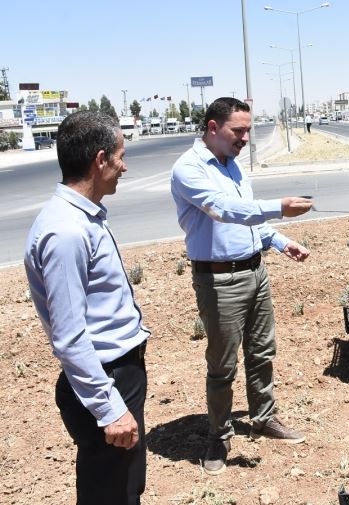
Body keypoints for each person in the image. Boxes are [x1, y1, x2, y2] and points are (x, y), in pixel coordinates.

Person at [170, 97, 315, 475]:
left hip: (254, 272)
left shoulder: (233, 167)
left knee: (262, 351)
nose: (246, 138)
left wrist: (281, 242)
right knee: (222, 364)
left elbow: (249, 220)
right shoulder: (189, 169)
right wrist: (278, 207)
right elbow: (224, 210)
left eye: (248, 130)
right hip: (220, 279)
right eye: (239, 130)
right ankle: (218, 437)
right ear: (213, 128)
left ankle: (264, 417)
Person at [24, 111, 151, 505]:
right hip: (104, 379)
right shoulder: (67, 231)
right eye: (120, 156)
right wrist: (108, 407)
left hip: (116, 373)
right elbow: (69, 335)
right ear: (100, 160)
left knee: (124, 488)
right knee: (109, 494)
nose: (124, 166)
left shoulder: (80, 218)